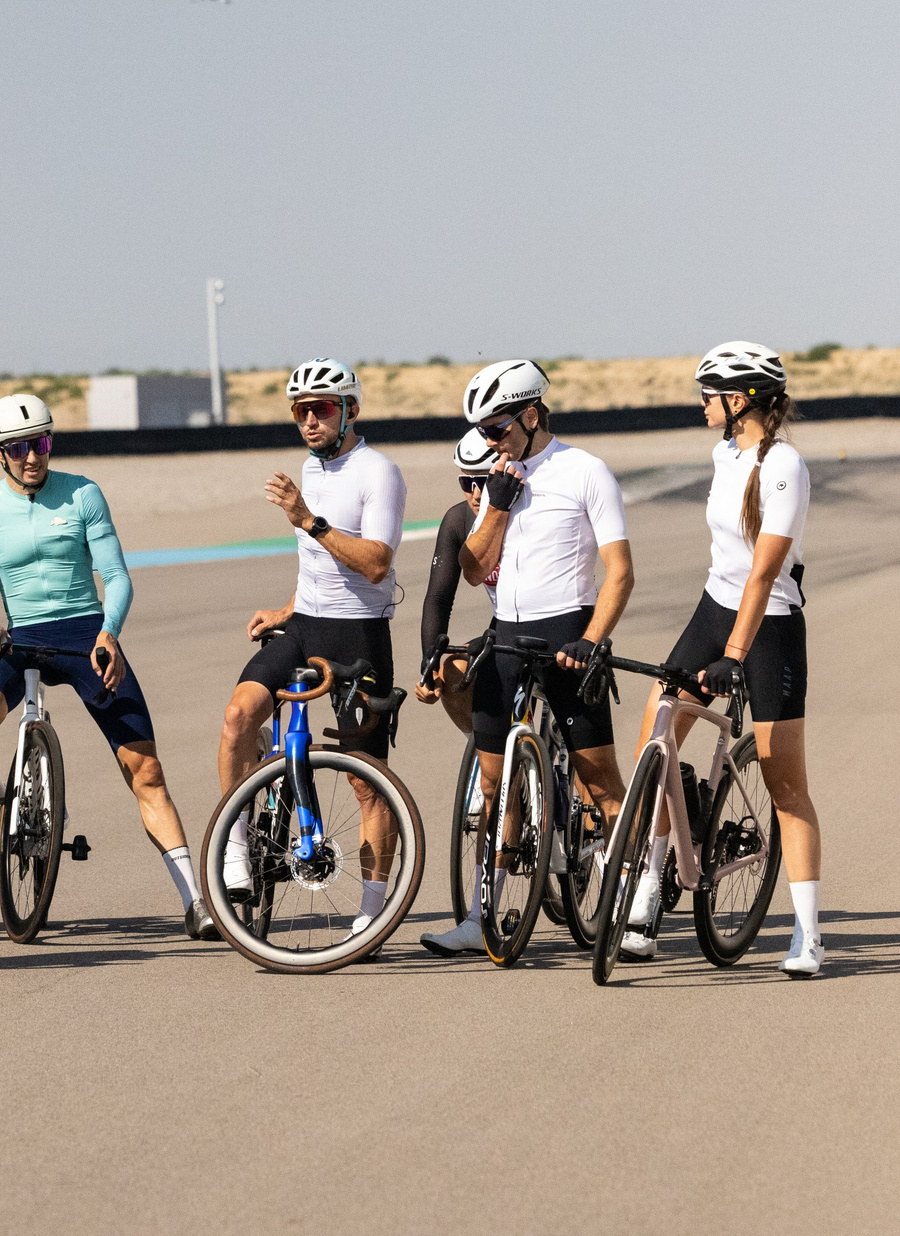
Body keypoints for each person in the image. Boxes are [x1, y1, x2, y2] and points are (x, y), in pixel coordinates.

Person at [0, 394, 210, 936]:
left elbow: (117, 576)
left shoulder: (83, 494)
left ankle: (195, 901)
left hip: (84, 632)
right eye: (20, 448)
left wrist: (109, 634)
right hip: (17, 635)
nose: (33, 456)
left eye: (42, 443)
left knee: (147, 770)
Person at [422, 359, 633, 957]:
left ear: (532, 415)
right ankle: (482, 914)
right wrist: (498, 505)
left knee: (600, 781)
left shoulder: (585, 472)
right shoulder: (497, 478)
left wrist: (592, 639)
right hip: (506, 638)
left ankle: (630, 902)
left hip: (568, 635)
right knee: (493, 786)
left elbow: (620, 572)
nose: (488, 442)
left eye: (495, 429)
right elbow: (469, 570)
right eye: (483, 432)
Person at [630, 341, 823, 975]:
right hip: (713, 608)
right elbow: (731, 567)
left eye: (709, 393)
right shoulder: (724, 453)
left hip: (766, 627)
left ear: (740, 399)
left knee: (783, 782)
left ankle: (807, 933)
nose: (702, 403)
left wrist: (734, 656)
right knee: (655, 736)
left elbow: (764, 573)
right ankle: (651, 889)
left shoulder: (785, 465)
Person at [216, 360, 408, 932]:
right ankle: (235, 846)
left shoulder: (380, 472)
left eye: (321, 407)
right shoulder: (310, 467)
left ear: (351, 409)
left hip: (359, 632)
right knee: (237, 718)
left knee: (365, 781)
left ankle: (371, 911)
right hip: (306, 625)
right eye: (299, 410)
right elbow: (316, 566)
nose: (308, 420)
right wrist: (288, 608)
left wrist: (308, 519)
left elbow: (376, 565)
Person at [412, 428, 503, 738]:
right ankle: (481, 753)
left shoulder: (526, 513)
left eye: (487, 481)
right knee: (450, 667)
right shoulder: (458, 520)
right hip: (503, 624)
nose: (477, 493)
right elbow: (438, 600)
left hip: (546, 624)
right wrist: (429, 665)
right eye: (468, 482)